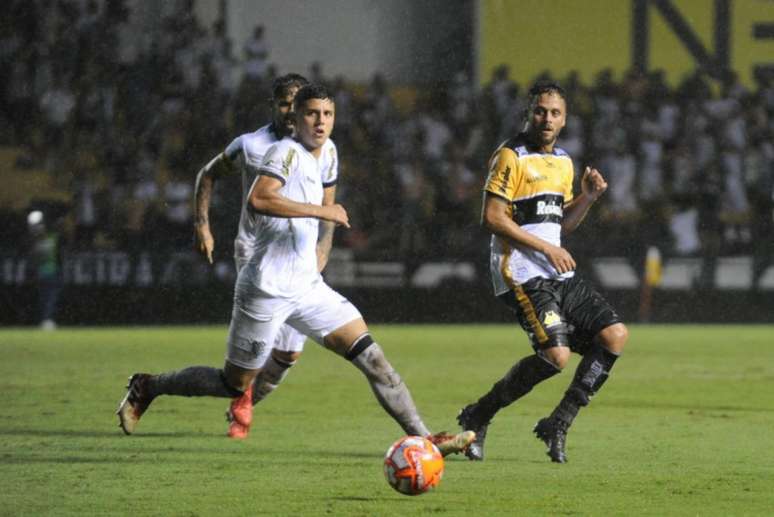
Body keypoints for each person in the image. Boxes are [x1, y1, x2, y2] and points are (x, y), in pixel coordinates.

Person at [117, 83, 475, 456]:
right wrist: (322, 212)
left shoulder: (327, 152)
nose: (320, 122)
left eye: (327, 115)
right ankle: (149, 386)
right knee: (233, 383)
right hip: (266, 288)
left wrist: (324, 243)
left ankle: (426, 438)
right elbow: (259, 198)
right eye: (311, 114)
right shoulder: (284, 152)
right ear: (295, 117)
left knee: (373, 359)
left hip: (307, 287)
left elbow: (323, 200)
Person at [457, 81, 628, 463]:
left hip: (556, 273)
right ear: (528, 114)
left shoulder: (564, 162)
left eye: (554, 113)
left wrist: (588, 198)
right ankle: (479, 414)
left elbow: (561, 224)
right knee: (557, 355)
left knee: (614, 336)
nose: (546, 118)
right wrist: (549, 249)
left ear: (564, 120)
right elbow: (492, 217)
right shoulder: (510, 156)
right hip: (521, 271)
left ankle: (558, 422)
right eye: (540, 111)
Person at [192, 73, 312, 439]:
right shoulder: (250, 144)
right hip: (256, 250)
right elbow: (208, 174)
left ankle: (243, 400)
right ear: (273, 106)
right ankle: (241, 405)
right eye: (283, 103)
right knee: (261, 342)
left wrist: (323, 247)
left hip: (298, 255)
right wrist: (203, 225)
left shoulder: (319, 146)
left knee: (288, 354)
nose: (290, 111)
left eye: (297, 104)